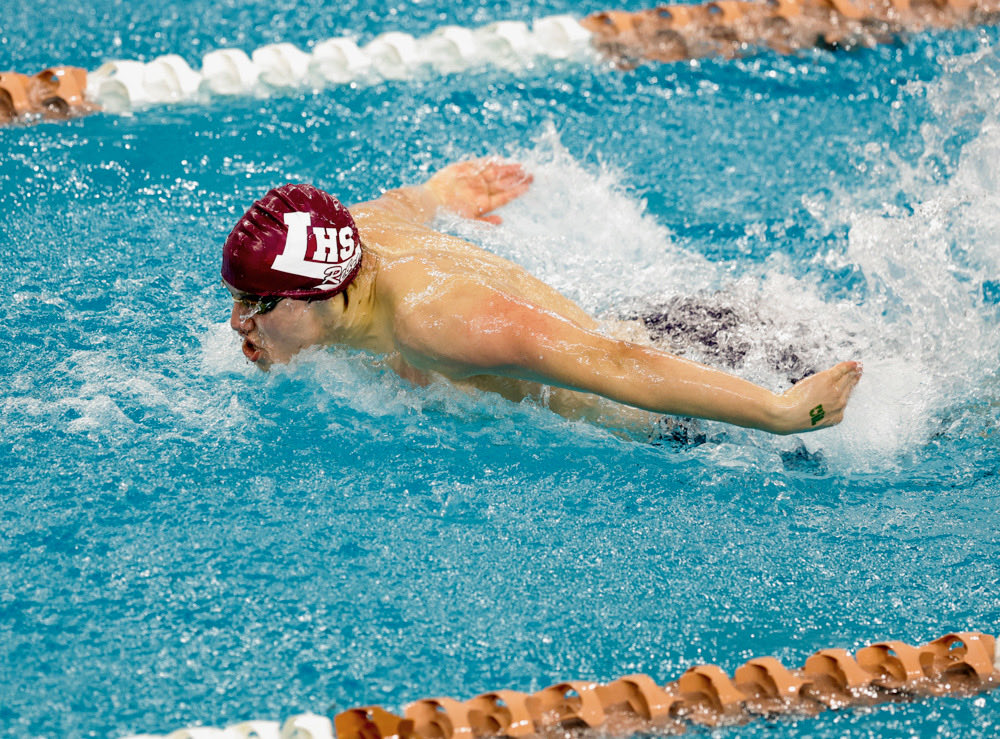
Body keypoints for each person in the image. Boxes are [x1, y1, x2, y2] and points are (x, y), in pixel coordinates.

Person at [222, 159, 861, 435]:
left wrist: (784, 413)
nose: (236, 324)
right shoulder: (359, 237)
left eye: (255, 306)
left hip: (693, 407)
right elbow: (402, 205)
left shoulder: (436, 321)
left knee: (924, 411)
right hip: (677, 330)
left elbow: (616, 364)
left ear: (319, 296)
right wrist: (444, 193)